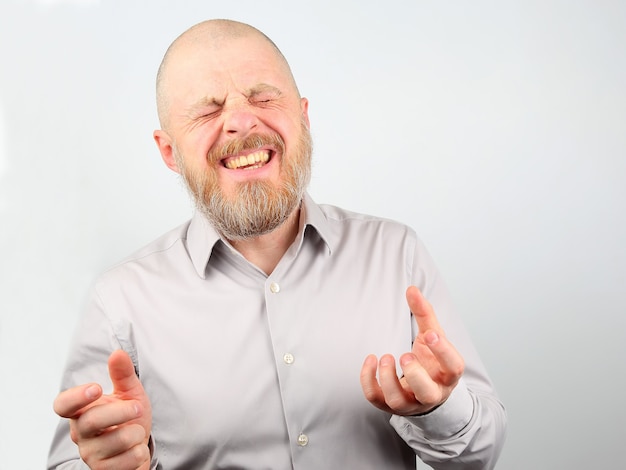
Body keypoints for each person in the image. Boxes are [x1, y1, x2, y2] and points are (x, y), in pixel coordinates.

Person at [48, 19, 507, 470]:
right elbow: (75, 460)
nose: (241, 121)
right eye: (208, 111)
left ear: (303, 118)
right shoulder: (121, 301)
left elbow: (480, 453)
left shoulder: (395, 252)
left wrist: (436, 409)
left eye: (264, 97)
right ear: (169, 152)